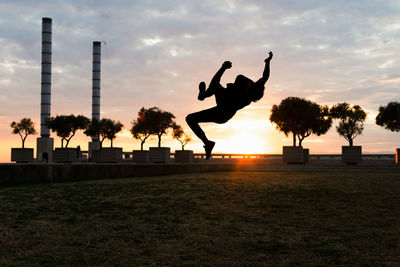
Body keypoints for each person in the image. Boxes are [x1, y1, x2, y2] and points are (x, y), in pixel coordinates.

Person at [186, 51, 273, 159]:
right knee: (215, 87)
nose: (246, 84)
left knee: (190, 118)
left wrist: (223, 68)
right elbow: (265, 77)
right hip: (223, 106)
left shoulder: (245, 98)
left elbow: (216, 82)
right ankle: (203, 95)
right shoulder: (253, 87)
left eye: (246, 85)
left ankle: (204, 95)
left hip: (223, 112)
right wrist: (268, 62)